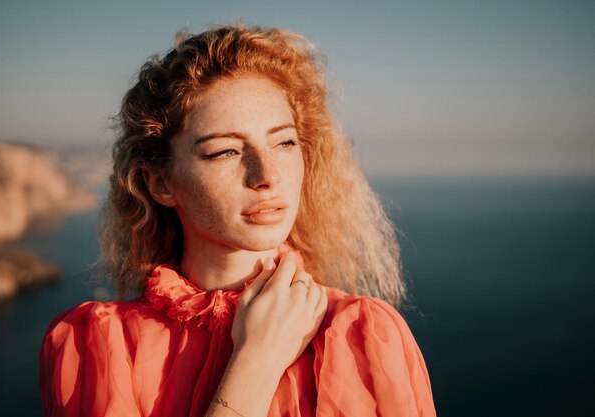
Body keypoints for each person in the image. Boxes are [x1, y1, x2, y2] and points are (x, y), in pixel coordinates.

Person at [39, 24, 436, 417]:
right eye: (225, 152)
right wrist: (257, 362)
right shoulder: (97, 345)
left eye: (284, 142)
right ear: (161, 183)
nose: (267, 175)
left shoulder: (360, 333)